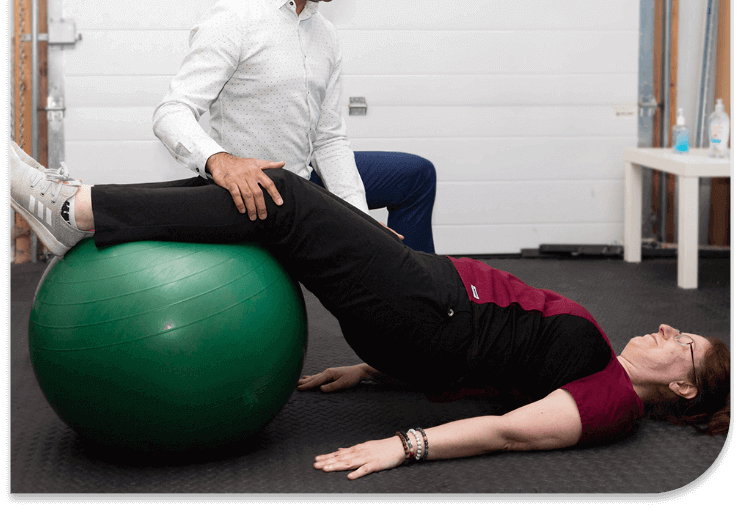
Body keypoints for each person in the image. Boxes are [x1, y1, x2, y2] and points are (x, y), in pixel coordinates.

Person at [10, 142, 730, 480]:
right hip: (421, 310)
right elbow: (506, 373)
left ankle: (76, 208)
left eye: (682, 343)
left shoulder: (608, 399)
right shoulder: (596, 362)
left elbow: (513, 430)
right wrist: (370, 373)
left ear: (684, 388)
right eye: (677, 326)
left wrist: (405, 444)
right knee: (269, 186)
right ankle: (87, 206)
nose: (666, 327)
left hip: (425, 310)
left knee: (281, 195)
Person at [152, 0, 437, 253]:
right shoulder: (235, 18)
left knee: (416, 176)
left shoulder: (325, 35)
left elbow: (329, 138)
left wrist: (360, 221)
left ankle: (413, 289)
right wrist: (219, 161)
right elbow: (170, 113)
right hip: (265, 193)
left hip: (307, 178)